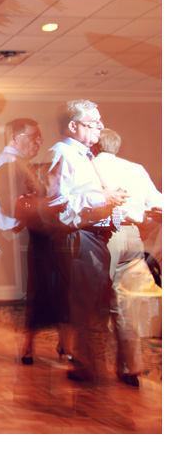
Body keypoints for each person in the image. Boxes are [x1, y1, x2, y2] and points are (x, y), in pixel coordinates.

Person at [44, 100, 128, 383]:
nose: (101, 126)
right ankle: (87, 367)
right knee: (86, 307)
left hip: (94, 237)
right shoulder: (62, 153)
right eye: (94, 122)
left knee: (94, 306)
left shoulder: (83, 155)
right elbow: (55, 202)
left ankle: (90, 366)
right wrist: (101, 198)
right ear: (73, 125)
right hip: (79, 238)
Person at [0, 118, 70, 364]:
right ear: (14, 137)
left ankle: (59, 343)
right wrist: (48, 205)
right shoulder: (8, 164)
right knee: (39, 292)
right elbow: (13, 207)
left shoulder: (20, 164)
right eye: (33, 136)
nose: (38, 141)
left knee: (53, 291)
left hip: (38, 238)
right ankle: (30, 347)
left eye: (39, 137)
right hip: (23, 237)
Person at [92, 128, 162, 387]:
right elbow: (158, 202)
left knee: (93, 301)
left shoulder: (91, 167)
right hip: (133, 238)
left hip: (104, 237)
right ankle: (130, 368)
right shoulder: (136, 169)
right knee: (126, 306)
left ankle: (87, 362)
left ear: (95, 146)